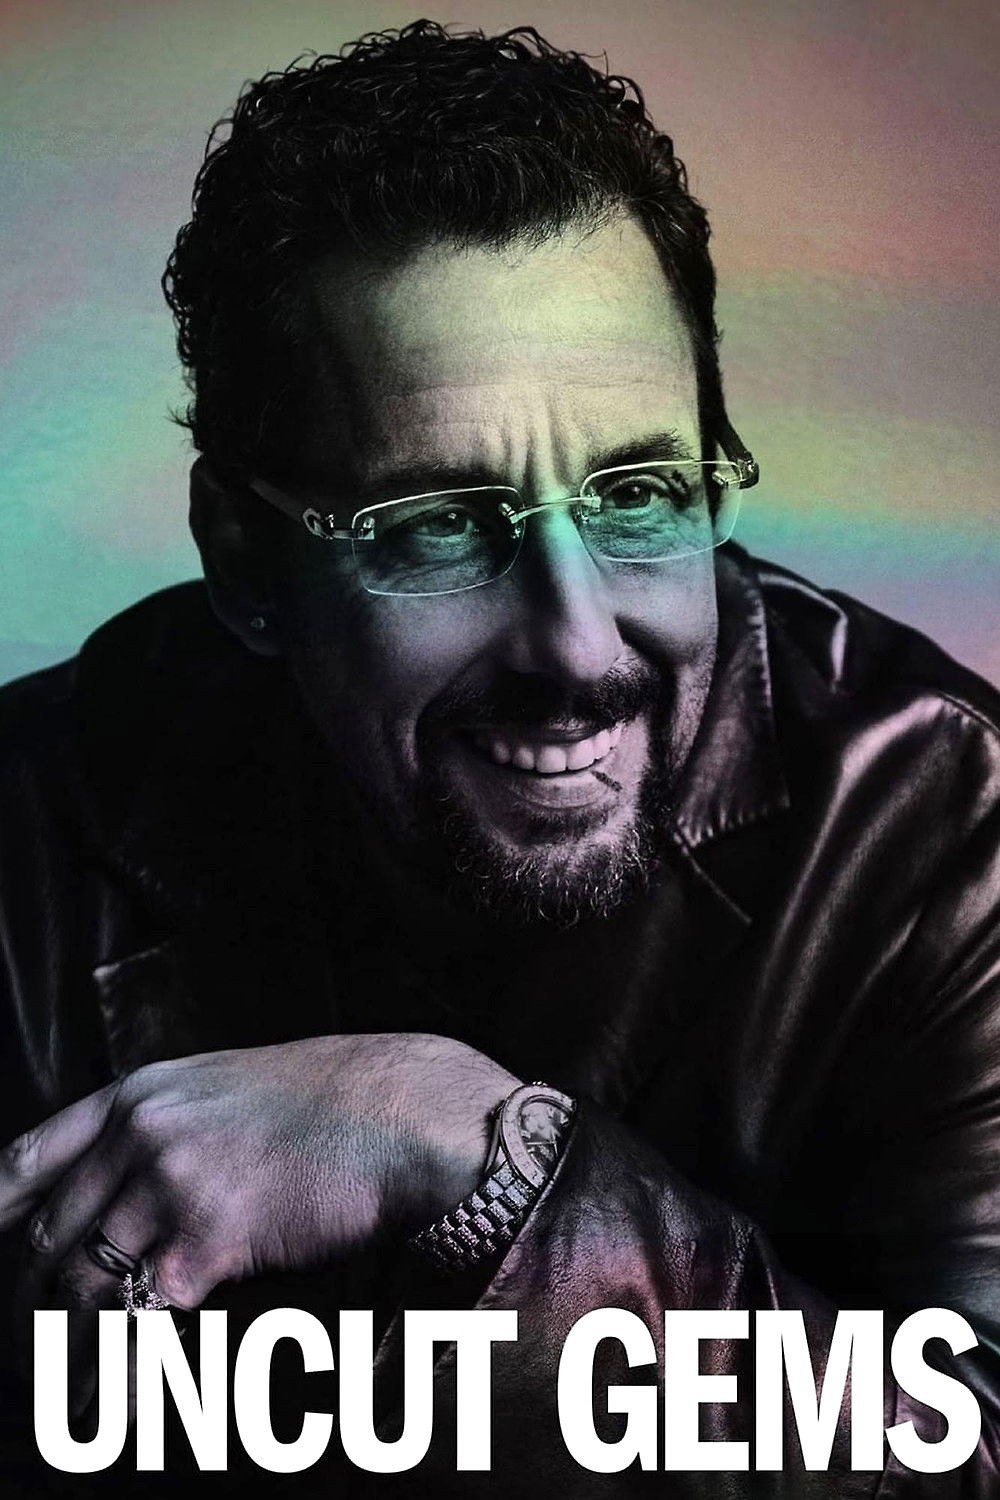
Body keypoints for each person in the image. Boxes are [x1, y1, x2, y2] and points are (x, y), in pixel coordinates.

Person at [0, 19, 998, 1496]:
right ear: (249, 561)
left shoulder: (937, 823)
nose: (577, 645)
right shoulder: (29, 840)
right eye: (438, 523)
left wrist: (483, 1159)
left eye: (641, 492)